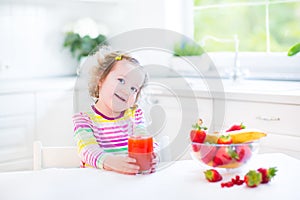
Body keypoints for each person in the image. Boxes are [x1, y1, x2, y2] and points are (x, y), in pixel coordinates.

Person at [72, 48, 159, 175]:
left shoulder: (134, 116)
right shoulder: (84, 120)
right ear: (100, 79)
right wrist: (110, 162)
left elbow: (145, 138)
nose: (126, 91)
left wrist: (153, 155)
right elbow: (87, 150)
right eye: (121, 80)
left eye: (134, 89)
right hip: (96, 186)